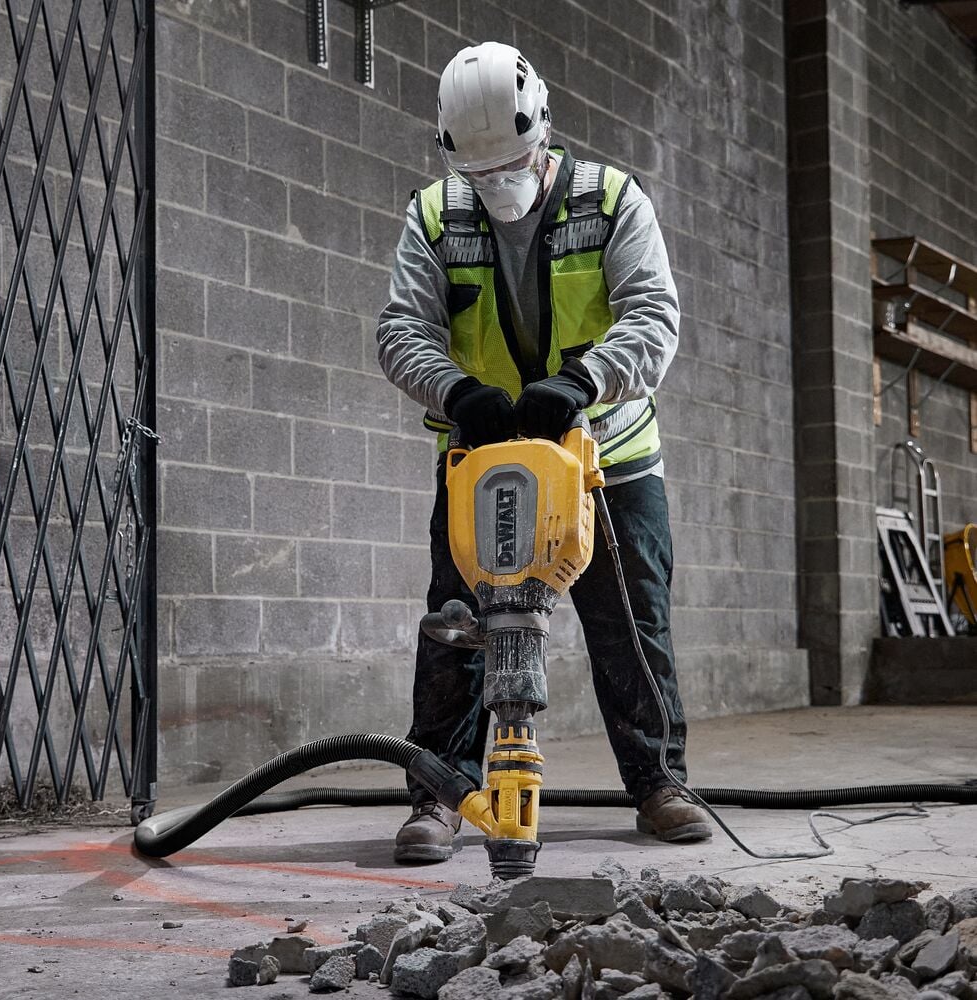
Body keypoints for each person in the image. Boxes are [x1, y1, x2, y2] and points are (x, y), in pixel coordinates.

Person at [375, 41, 709, 863]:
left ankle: (660, 782)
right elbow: (399, 331)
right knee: (456, 627)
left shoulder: (612, 200)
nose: (501, 185)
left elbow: (654, 316)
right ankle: (442, 796)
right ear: (453, 154)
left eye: (515, 166)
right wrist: (458, 392)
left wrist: (585, 381)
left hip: (608, 457)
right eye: (484, 175)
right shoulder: (434, 215)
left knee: (632, 623)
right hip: (481, 459)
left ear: (545, 133)